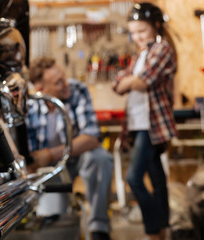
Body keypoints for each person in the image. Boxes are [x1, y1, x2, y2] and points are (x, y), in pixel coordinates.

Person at [26, 57, 113, 240]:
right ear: (41, 89)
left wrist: (50, 154)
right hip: (52, 170)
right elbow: (32, 159)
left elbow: (91, 138)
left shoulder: (76, 89)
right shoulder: (30, 105)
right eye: (58, 82)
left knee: (100, 158)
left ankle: (99, 229)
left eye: (63, 76)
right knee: (55, 224)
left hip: (79, 158)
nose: (66, 83)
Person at [112, 3, 177, 240]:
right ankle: (163, 231)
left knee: (133, 178)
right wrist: (130, 80)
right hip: (137, 125)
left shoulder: (163, 49)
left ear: (156, 26)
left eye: (142, 31)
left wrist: (130, 80)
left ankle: (153, 231)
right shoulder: (141, 54)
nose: (136, 37)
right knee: (157, 178)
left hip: (152, 126)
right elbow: (118, 83)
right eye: (133, 32)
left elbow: (143, 81)